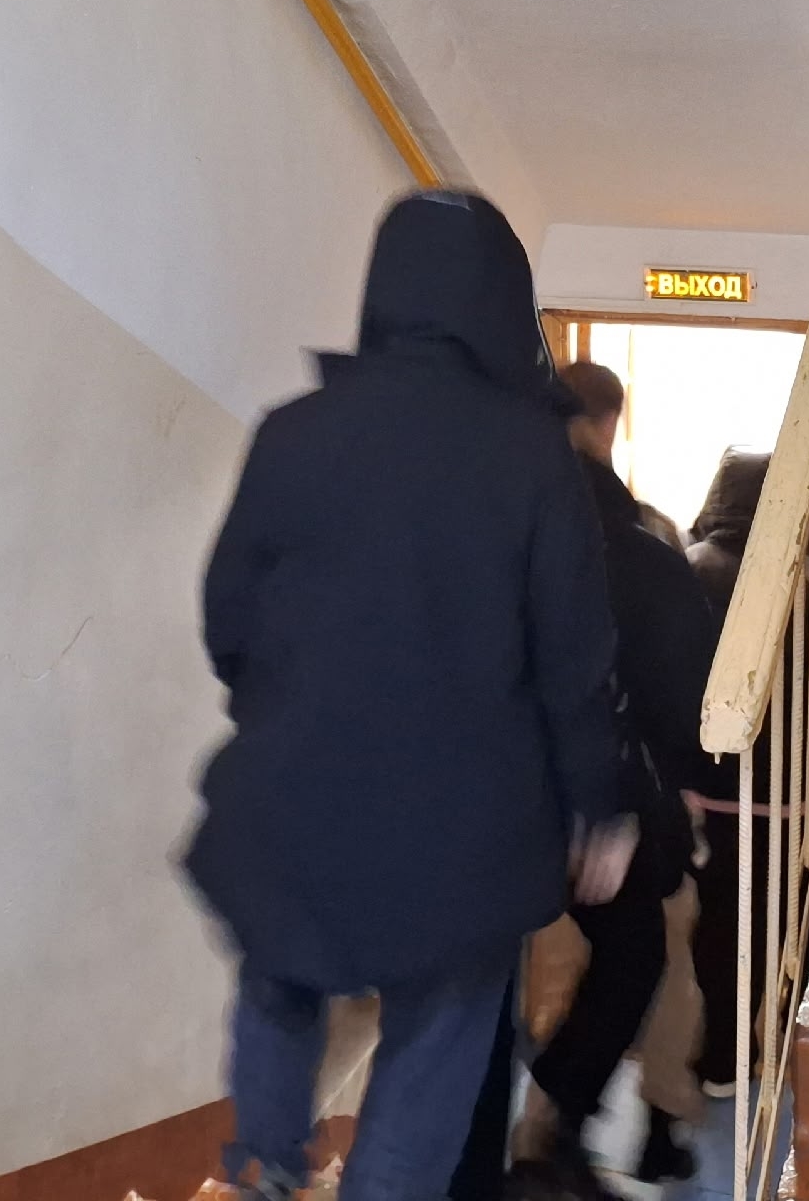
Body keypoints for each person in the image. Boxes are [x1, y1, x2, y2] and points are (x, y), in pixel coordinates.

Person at [186, 191, 636, 1201]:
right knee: (434, 1048)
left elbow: (226, 616)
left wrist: (283, 711)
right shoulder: (531, 457)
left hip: (292, 798)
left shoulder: (292, 432)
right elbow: (573, 658)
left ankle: (263, 1171)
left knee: (278, 981)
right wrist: (599, 807)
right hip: (463, 831)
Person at [505, 362, 722, 1197]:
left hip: (500, 797)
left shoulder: (502, 531)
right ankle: (572, 1127)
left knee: (484, 978)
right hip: (614, 805)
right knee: (644, 953)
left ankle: (519, 1133)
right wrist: (670, 791)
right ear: (608, 426)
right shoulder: (644, 551)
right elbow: (682, 697)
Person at [681, 446, 772, 1099]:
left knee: (713, 923)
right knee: (770, 921)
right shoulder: (806, 578)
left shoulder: (690, 569)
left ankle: (719, 1056)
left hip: (706, 784)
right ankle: (753, 1045)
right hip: (786, 793)